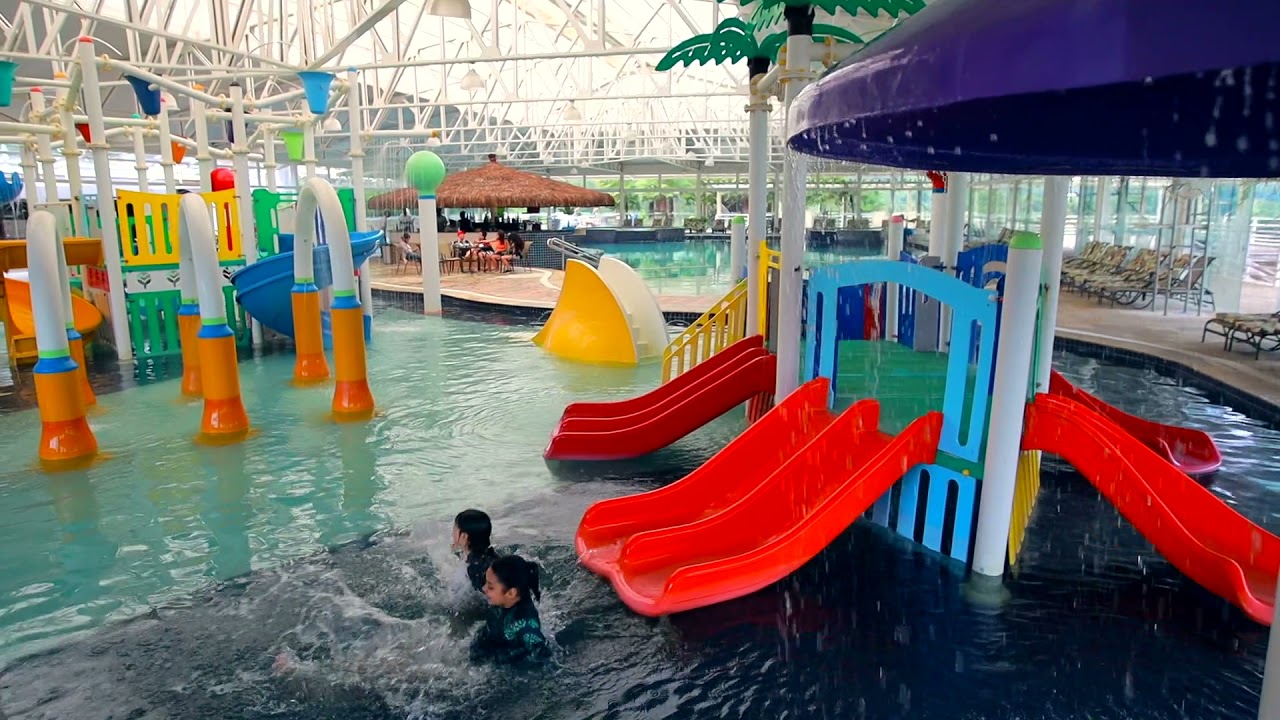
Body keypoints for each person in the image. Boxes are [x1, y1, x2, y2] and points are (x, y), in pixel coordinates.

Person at [470, 555, 550, 665]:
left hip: (507, 663)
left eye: (490, 587)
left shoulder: (526, 625)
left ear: (511, 593)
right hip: (489, 645)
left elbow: (544, 657)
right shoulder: (501, 600)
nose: (484, 589)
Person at [453, 509, 499, 592]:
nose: (453, 533)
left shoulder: (473, 566)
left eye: (455, 528)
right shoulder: (491, 555)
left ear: (464, 536)